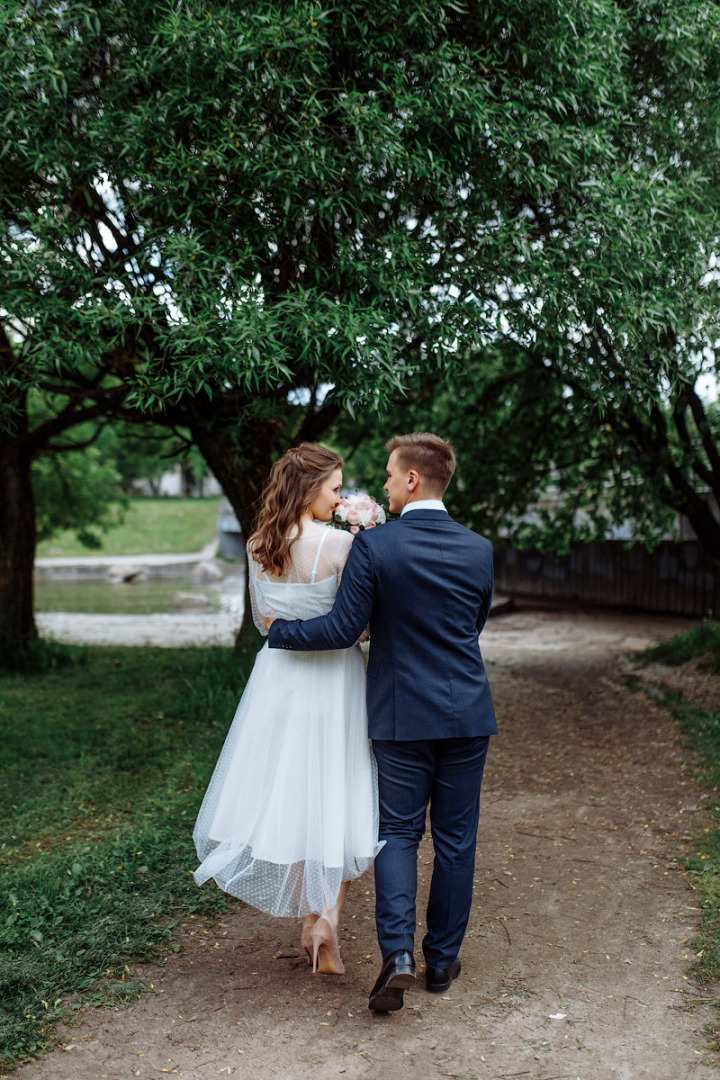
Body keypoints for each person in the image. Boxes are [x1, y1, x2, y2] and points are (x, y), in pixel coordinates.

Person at [268, 432, 497, 1012]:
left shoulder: (377, 547)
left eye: (392, 477)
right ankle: (441, 963)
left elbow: (343, 629)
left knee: (398, 834)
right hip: (467, 713)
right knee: (456, 841)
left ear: (413, 480)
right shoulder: (479, 548)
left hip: (400, 715)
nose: (385, 485)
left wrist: (280, 632)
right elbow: (472, 626)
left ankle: (397, 956)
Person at [193, 443, 382, 976]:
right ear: (310, 489)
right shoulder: (342, 547)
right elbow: (359, 627)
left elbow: (263, 622)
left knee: (296, 792)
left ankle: (307, 919)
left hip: (278, 679)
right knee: (337, 790)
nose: (340, 498)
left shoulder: (259, 544)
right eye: (335, 488)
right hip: (335, 679)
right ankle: (326, 920)